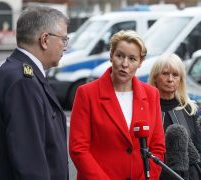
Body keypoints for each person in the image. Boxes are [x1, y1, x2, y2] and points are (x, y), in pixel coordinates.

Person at [69, 30, 166, 180]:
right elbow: (78, 149)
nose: (124, 64)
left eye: (132, 59)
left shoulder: (151, 94)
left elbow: (157, 147)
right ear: (111, 56)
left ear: (140, 62)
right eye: (120, 56)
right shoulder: (87, 93)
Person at [0, 6, 69, 179]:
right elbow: (30, 163)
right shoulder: (23, 82)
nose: (65, 47)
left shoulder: (18, 72)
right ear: (44, 40)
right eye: (64, 39)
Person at [148, 53, 201, 180]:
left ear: (180, 80)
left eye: (175, 75)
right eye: (165, 74)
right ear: (155, 78)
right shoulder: (146, 109)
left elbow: (200, 150)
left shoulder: (189, 109)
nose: (170, 79)